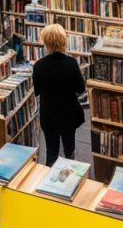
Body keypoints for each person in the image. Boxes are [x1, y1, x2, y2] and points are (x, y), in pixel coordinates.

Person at [32, 24, 85, 166]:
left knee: (51, 151)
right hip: (69, 114)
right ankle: (71, 176)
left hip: (49, 116)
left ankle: (48, 179)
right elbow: (80, 88)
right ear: (63, 40)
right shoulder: (71, 63)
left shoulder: (38, 66)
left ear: (46, 42)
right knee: (69, 149)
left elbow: (37, 91)